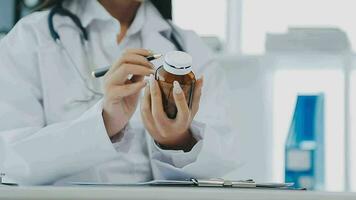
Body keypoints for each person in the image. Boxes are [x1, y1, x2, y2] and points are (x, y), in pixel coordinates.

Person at [0, 0, 237, 185]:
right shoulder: (30, 38)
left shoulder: (188, 46)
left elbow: (224, 155)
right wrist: (104, 123)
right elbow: (12, 160)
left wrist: (177, 140)